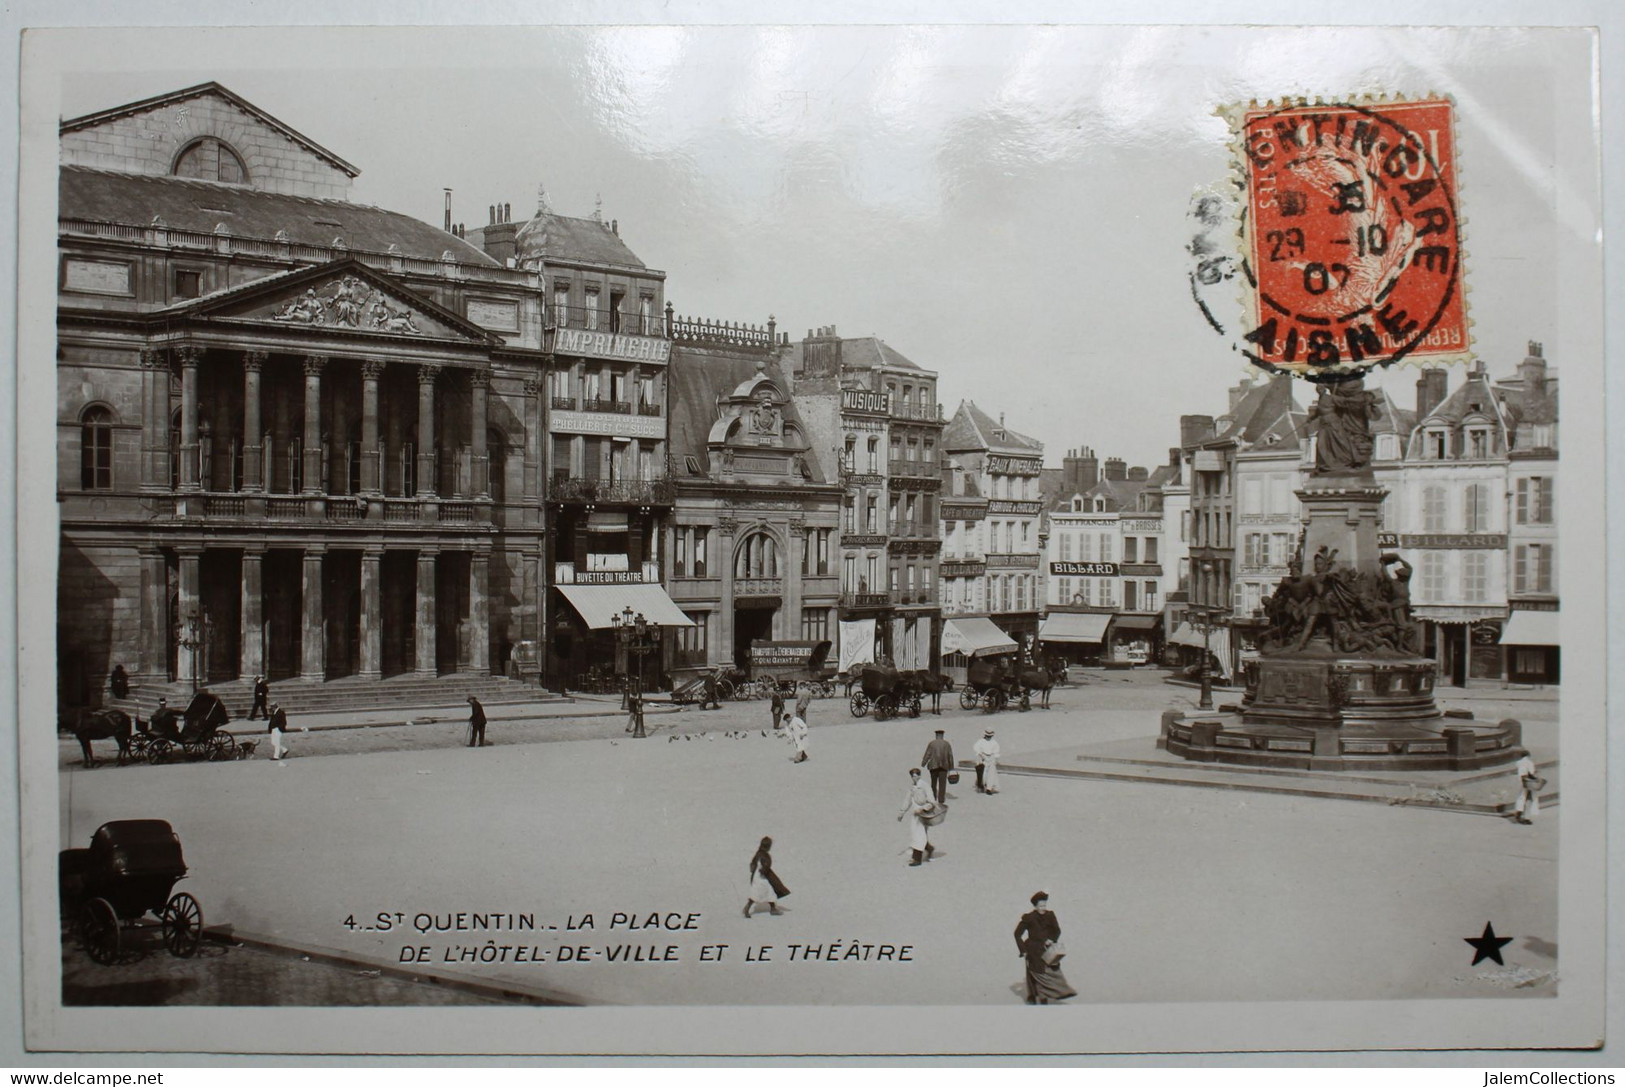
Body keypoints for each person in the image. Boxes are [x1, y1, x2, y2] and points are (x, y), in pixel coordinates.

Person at [1014, 892, 1078, 1005]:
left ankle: (1058, 993)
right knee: (1036, 974)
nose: (1043, 908)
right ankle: (1037, 999)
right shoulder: (1029, 918)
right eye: (1041, 906)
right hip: (1033, 951)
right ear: (1035, 906)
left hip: (1047, 950)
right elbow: (1017, 934)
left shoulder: (1050, 915)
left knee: (1050, 973)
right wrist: (1023, 950)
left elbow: (1057, 930)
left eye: (1045, 905)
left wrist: (1051, 939)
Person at [896, 767, 938, 867]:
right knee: (917, 834)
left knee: (919, 835)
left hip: (923, 815)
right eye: (913, 776)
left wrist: (924, 809)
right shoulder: (913, 787)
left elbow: (932, 802)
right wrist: (902, 812)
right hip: (915, 815)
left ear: (919, 775)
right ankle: (929, 848)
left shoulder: (924, 786)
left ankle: (917, 859)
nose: (914, 778)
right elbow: (908, 800)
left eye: (916, 776)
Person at [742, 836, 789, 918]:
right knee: (763, 893)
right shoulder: (765, 855)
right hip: (762, 877)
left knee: (768, 892)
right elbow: (766, 866)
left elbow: (753, 864)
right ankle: (749, 908)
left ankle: (772, 908)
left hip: (757, 876)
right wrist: (764, 870)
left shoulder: (758, 853)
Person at [921, 728, 955, 805]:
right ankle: (941, 799)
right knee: (942, 783)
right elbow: (950, 756)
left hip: (933, 766)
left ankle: (933, 797)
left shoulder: (932, 743)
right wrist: (951, 767)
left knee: (933, 783)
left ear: (936, 735)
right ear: (942, 735)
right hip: (944, 766)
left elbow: (928, 754)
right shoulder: (947, 744)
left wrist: (924, 763)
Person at [1513, 752, 1543, 825]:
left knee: (1521, 798)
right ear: (1528, 755)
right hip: (1529, 783)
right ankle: (1526, 818)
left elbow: (1522, 773)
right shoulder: (1529, 763)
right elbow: (1531, 774)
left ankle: (1519, 813)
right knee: (1529, 800)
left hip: (1522, 783)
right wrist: (1536, 777)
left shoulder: (1519, 763)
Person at [974, 728, 1002, 795]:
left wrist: (995, 758)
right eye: (987, 736)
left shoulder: (994, 742)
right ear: (985, 735)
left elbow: (996, 752)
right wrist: (980, 755)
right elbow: (976, 748)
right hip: (983, 757)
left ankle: (989, 788)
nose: (988, 737)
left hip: (991, 757)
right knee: (983, 773)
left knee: (991, 773)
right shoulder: (981, 741)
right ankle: (981, 785)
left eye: (990, 736)